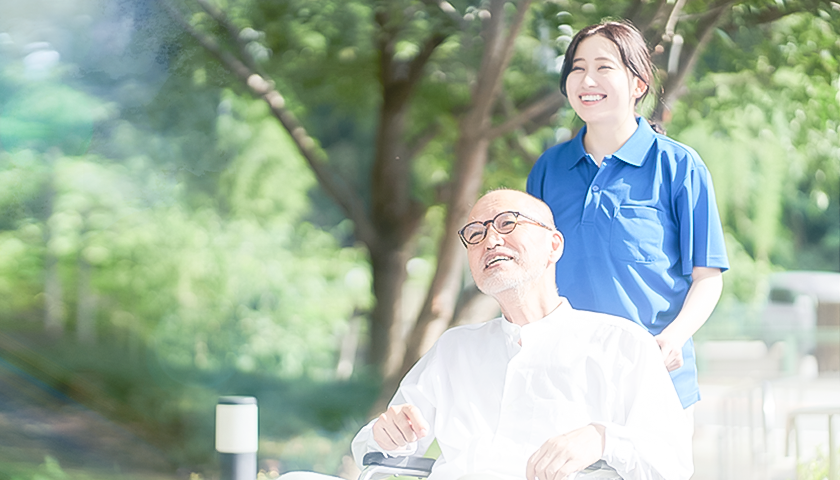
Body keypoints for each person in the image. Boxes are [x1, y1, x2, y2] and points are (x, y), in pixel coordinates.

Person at [348, 189, 692, 480]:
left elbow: (673, 463)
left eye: (507, 223)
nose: (490, 239)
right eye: (475, 233)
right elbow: (374, 448)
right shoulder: (454, 349)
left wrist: (602, 439)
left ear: (554, 245)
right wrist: (388, 434)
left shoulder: (622, 344)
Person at [526, 20, 729, 410]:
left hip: (655, 379)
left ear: (638, 84)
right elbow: (534, 271)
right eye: (577, 68)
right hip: (564, 383)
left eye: (604, 67)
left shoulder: (679, 166)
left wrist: (672, 339)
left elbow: (708, 277)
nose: (587, 79)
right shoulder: (548, 169)